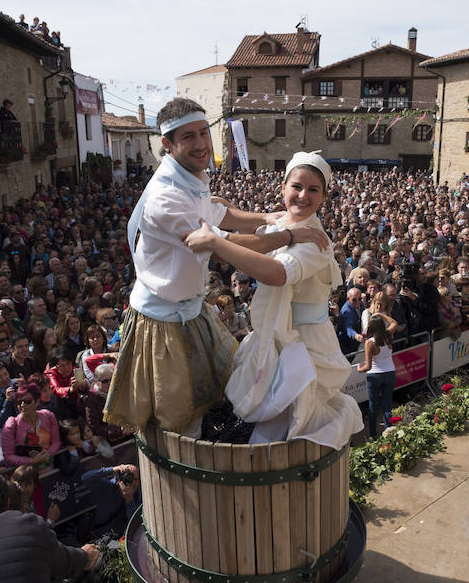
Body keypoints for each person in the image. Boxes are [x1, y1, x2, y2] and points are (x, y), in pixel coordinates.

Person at [104, 98, 326, 435]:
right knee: (176, 423)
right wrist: (289, 234)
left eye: (203, 133)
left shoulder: (190, 176)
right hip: (162, 320)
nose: (201, 144)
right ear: (167, 144)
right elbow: (224, 243)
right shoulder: (166, 197)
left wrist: (267, 217)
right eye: (188, 137)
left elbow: (220, 213)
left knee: (206, 404)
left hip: (192, 310)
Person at [185, 151, 364, 449]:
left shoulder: (316, 242)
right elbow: (258, 229)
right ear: (282, 187)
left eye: (313, 189)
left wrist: (216, 241)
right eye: (296, 186)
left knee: (284, 426)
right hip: (277, 335)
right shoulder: (282, 219)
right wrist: (221, 210)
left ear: (323, 196)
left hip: (305, 346)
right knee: (270, 418)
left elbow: (277, 273)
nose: (303, 195)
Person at [1, 383, 60, 467]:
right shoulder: (11, 425)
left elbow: (56, 442)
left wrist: (47, 454)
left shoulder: (48, 416)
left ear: (37, 402)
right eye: (19, 402)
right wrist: (32, 461)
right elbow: (8, 457)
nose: (22, 405)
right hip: (27, 475)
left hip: (50, 470)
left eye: (27, 401)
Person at [357, 315, 397, 439]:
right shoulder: (389, 335)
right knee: (387, 405)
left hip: (374, 376)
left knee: (373, 406)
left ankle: (373, 435)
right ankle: (388, 432)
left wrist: (359, 369)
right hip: (390, 373)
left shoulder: (370, 343)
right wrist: (381, 315)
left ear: (371, 327)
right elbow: (394, 321)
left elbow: (368, 367)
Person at [338, 288, 364, 359]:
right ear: (347, 299)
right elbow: (347, 327)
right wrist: (355, 335)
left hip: (356, 342)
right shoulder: (346, 311)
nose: (358, 302)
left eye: (359, 299)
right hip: (347, 343)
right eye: (354, 300)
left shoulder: (361, 305)